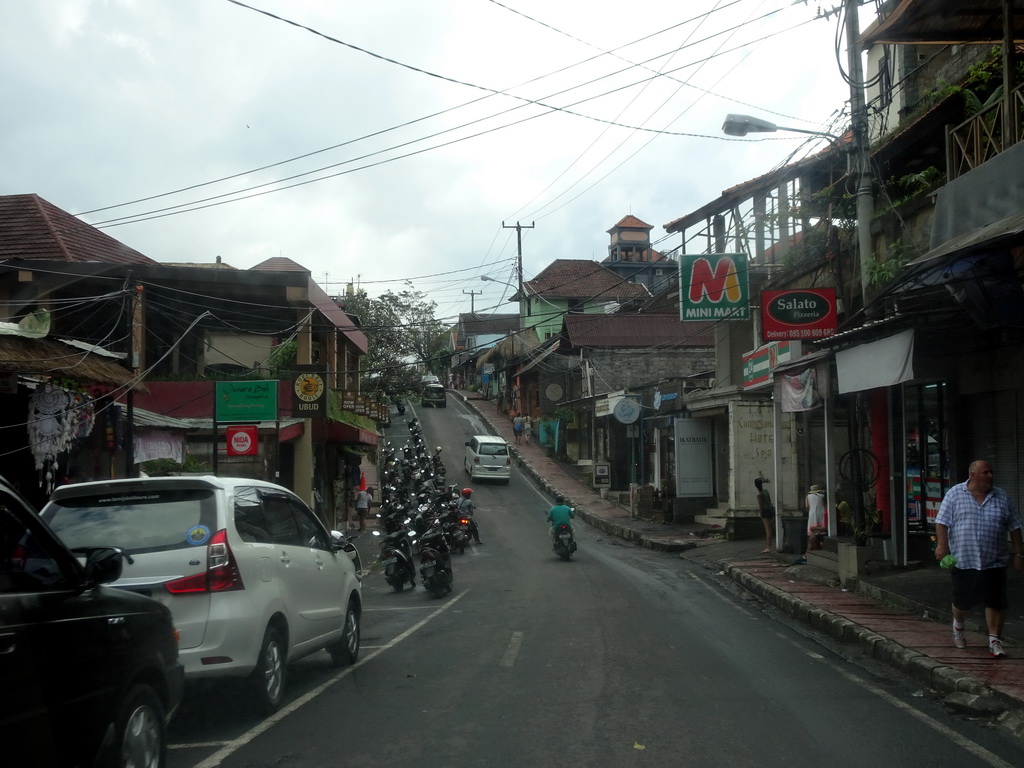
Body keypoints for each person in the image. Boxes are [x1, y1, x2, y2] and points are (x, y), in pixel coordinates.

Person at [934, 459, 1024, 658]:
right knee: (962, 602)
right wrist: (942, 546)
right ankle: (958, 626)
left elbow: (1015, 526)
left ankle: (994, 641)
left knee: (995, 602)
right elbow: (941, 522)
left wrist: (1018, 554)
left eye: (991, 472)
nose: (991, 476)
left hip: (995, 561)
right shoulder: (955, 494)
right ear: (973, 475)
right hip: (964, 560)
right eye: (986, 473)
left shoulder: (1002, 497)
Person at [754, 478, 775, 554]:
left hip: (765, 511)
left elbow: (761, 506)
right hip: (771, 509)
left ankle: (768, 547)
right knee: (773, 527)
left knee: (768, 529)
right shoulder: (766, 491)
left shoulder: (759, 494)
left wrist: (761, 514)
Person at [806, 485, 827, 551]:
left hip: (812, 514)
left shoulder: (808, 496)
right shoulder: (822, 496)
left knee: (812, 533)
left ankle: (811, 549)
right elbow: (825, 505)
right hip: (822, 514)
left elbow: (807, 506)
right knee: (822, 532)